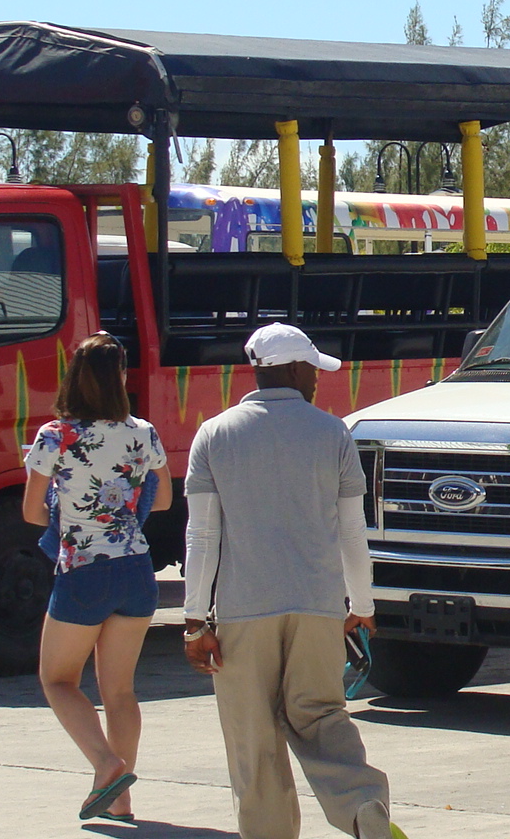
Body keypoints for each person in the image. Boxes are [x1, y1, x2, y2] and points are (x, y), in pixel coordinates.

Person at [181, 323, 390, 839]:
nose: (318, 379)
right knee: (321, 717)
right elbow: (352, 530)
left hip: (241, 611)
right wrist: (360, 602)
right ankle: (362, 805)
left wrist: (194, 619)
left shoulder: (214, 434)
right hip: (318, 607)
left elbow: (202, 536)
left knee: (254, 742)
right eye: (313, 369)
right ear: (294, 370)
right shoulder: (333, 432)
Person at [22, 332, 172, 822]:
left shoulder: (55, 436)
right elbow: (165, 499)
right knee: (121, 691)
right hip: (136, 568)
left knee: (58, 679)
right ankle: (120, 799)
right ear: (121, 378)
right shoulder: (143, 432)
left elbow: (30, 512)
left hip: (84, 569)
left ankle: (107, 765)